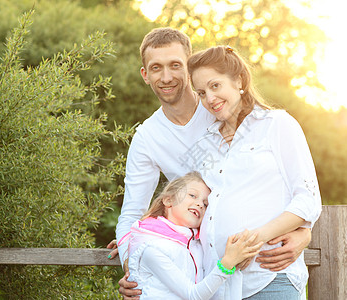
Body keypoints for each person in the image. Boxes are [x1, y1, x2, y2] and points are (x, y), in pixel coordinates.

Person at [109, 28, 313, 299]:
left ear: (189, 67)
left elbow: (298, 190)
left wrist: (304, 231)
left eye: (175, 65)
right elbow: (137, 213)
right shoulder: (174, 138)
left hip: (264, 274)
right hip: (212, 280)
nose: (167, 76)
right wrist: (134, 267)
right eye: (156, 67)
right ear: (145, 74)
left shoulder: (248, 120)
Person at [185, 45, 322, 299]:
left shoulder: (277, 124)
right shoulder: (207, 142)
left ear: (238, 80)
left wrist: (251, 243)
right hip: (219, 284)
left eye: (216, 86)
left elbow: (308, 199)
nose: (209, 99)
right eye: (201, 93)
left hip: (268, 278)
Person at [120, 171, 263, 299]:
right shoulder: (152, 248)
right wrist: (228, 262)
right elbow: (193, 295)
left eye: (206, 204)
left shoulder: (195, 245)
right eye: (192, 195)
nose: (200, 204)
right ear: (168, 200)